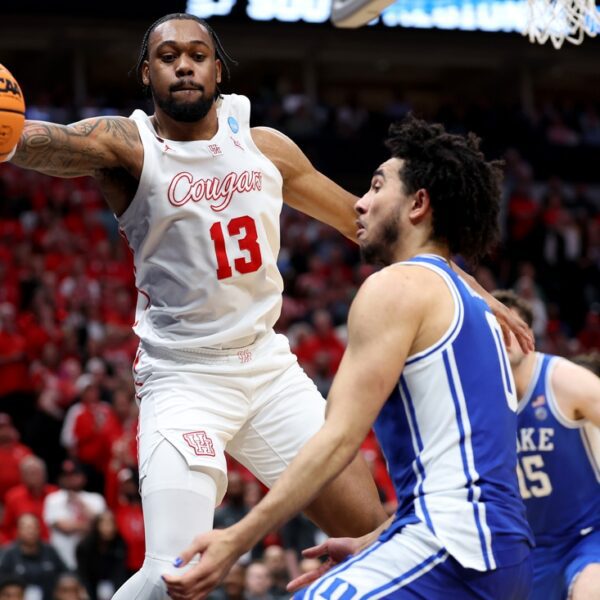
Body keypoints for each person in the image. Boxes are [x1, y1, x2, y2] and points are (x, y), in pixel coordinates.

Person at [4, 13, 530, 599]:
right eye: (168, 56)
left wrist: (477, 292)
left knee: (378, 533)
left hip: (267, 371)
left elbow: (369, 226)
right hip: (185, 381)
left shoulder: (264, 147)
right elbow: (40, 141)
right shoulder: (128, 146)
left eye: (197, 54)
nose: (184, 64)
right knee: (173, 574)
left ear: (218, 69)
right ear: (146, 75)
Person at [163, 115, 534, 600]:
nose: (359, 203)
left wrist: (237, 538)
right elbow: (471, 474)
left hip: (453, 548)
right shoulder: (475, 308)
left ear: (418, 204)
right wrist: (375, 543)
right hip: (501, 553)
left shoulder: (397, 286)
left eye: (377, 187)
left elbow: (338, 440)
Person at [492, 290, 600, 600]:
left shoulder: (563, 380)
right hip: (528, 548)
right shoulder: (479, 404)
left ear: (528, 335)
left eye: (512, 327)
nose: (504, 336)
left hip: (587, 535)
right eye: (495, 329)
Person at [0, 513, 67, 600]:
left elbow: (65, 573)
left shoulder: (50, 551)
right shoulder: (8, 553)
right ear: (18, 530)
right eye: (26, 528)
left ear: (39, 529)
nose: (30, 531)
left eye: (33, 527)